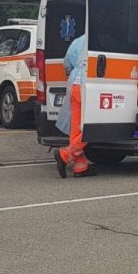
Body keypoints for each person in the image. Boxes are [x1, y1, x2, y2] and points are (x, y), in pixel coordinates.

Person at [55, 32, 94, 177]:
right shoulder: (99, 39)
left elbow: (66, 63)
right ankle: (65, 154)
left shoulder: (77, 41)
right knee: (92, 126)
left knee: (76, 127)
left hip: (74, 86)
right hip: (88, 86)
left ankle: (80, 166)